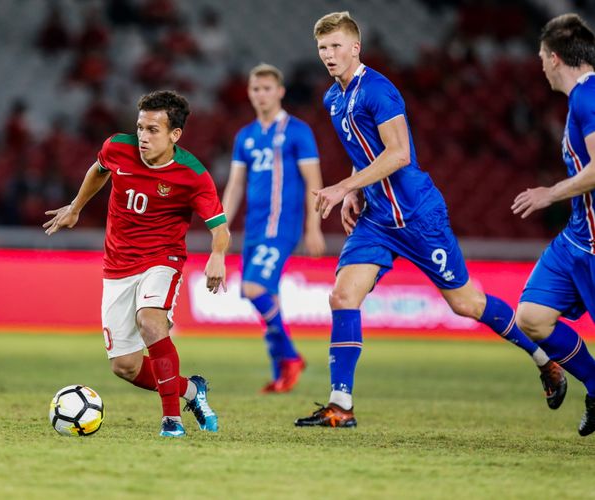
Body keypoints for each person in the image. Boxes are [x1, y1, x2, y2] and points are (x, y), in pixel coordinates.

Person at [295, 11, 565, 428]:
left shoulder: (379, 91)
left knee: (467, 304)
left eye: (335, 46)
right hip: (377, 221)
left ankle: (543, 359)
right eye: (322, 48)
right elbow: (364, 155)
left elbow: (399, 153)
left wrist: (345, 189)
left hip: (418, 217)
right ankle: (340, 405)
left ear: (355, 47)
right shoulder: (334, 98)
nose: (328, 55)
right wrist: (354, 188)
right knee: (342, 297)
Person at [43, 90, 230, 438]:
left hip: (163, 259)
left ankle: (171, 422)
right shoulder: (118, 147)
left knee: (150, 321)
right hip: (117, 264)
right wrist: (76, 206)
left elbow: (220, 228)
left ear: (175, 135)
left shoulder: (193, 175)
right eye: (141, 127)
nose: (143, 136)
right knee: (125, 366)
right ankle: (191, 391)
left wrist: (217, 255)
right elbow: (99, 170)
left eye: (153, 130)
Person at [511, 13, 595, 437]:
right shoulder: (579, 99)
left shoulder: (589, 98)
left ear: (556, 58)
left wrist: (550, 192)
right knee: (532, 317)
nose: (540, 64)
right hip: (578, 239)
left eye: (542, 56)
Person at [222, 63, 326, 393]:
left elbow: (314, 180)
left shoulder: (298, 131)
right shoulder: (246, 136)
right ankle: (282, 372)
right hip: (254, 227)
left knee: (254, 289)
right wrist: (220, 227)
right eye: (256, 89)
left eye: (267, 88)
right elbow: (236, 185)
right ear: (250, 93)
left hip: (281, 225)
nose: (261, 94)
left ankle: (291, 357)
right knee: (268, 297)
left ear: (280, 92)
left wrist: (314, 227)